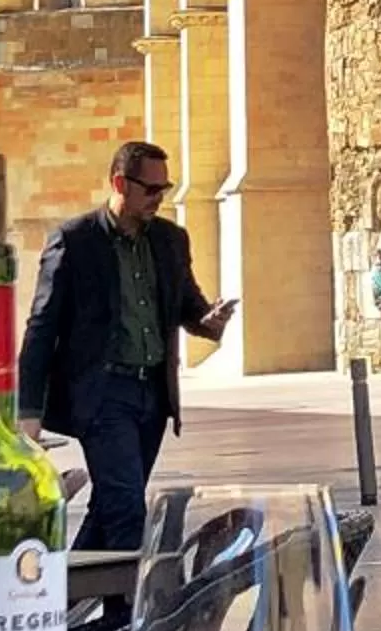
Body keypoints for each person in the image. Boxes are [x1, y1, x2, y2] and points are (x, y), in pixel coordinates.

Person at [17, 139, 236, 550]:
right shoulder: (74, 241)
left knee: (111, 506)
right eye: (151, 189)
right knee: (127, 511)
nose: (159, 198)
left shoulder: (171, 240)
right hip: (103, 396)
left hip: (152, 395)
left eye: (164, 189)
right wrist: (28, 410)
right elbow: (41, 328)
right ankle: (124, 612)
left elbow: (188, 305)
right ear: (120, 182)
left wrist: (210, 321)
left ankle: (61, 600)